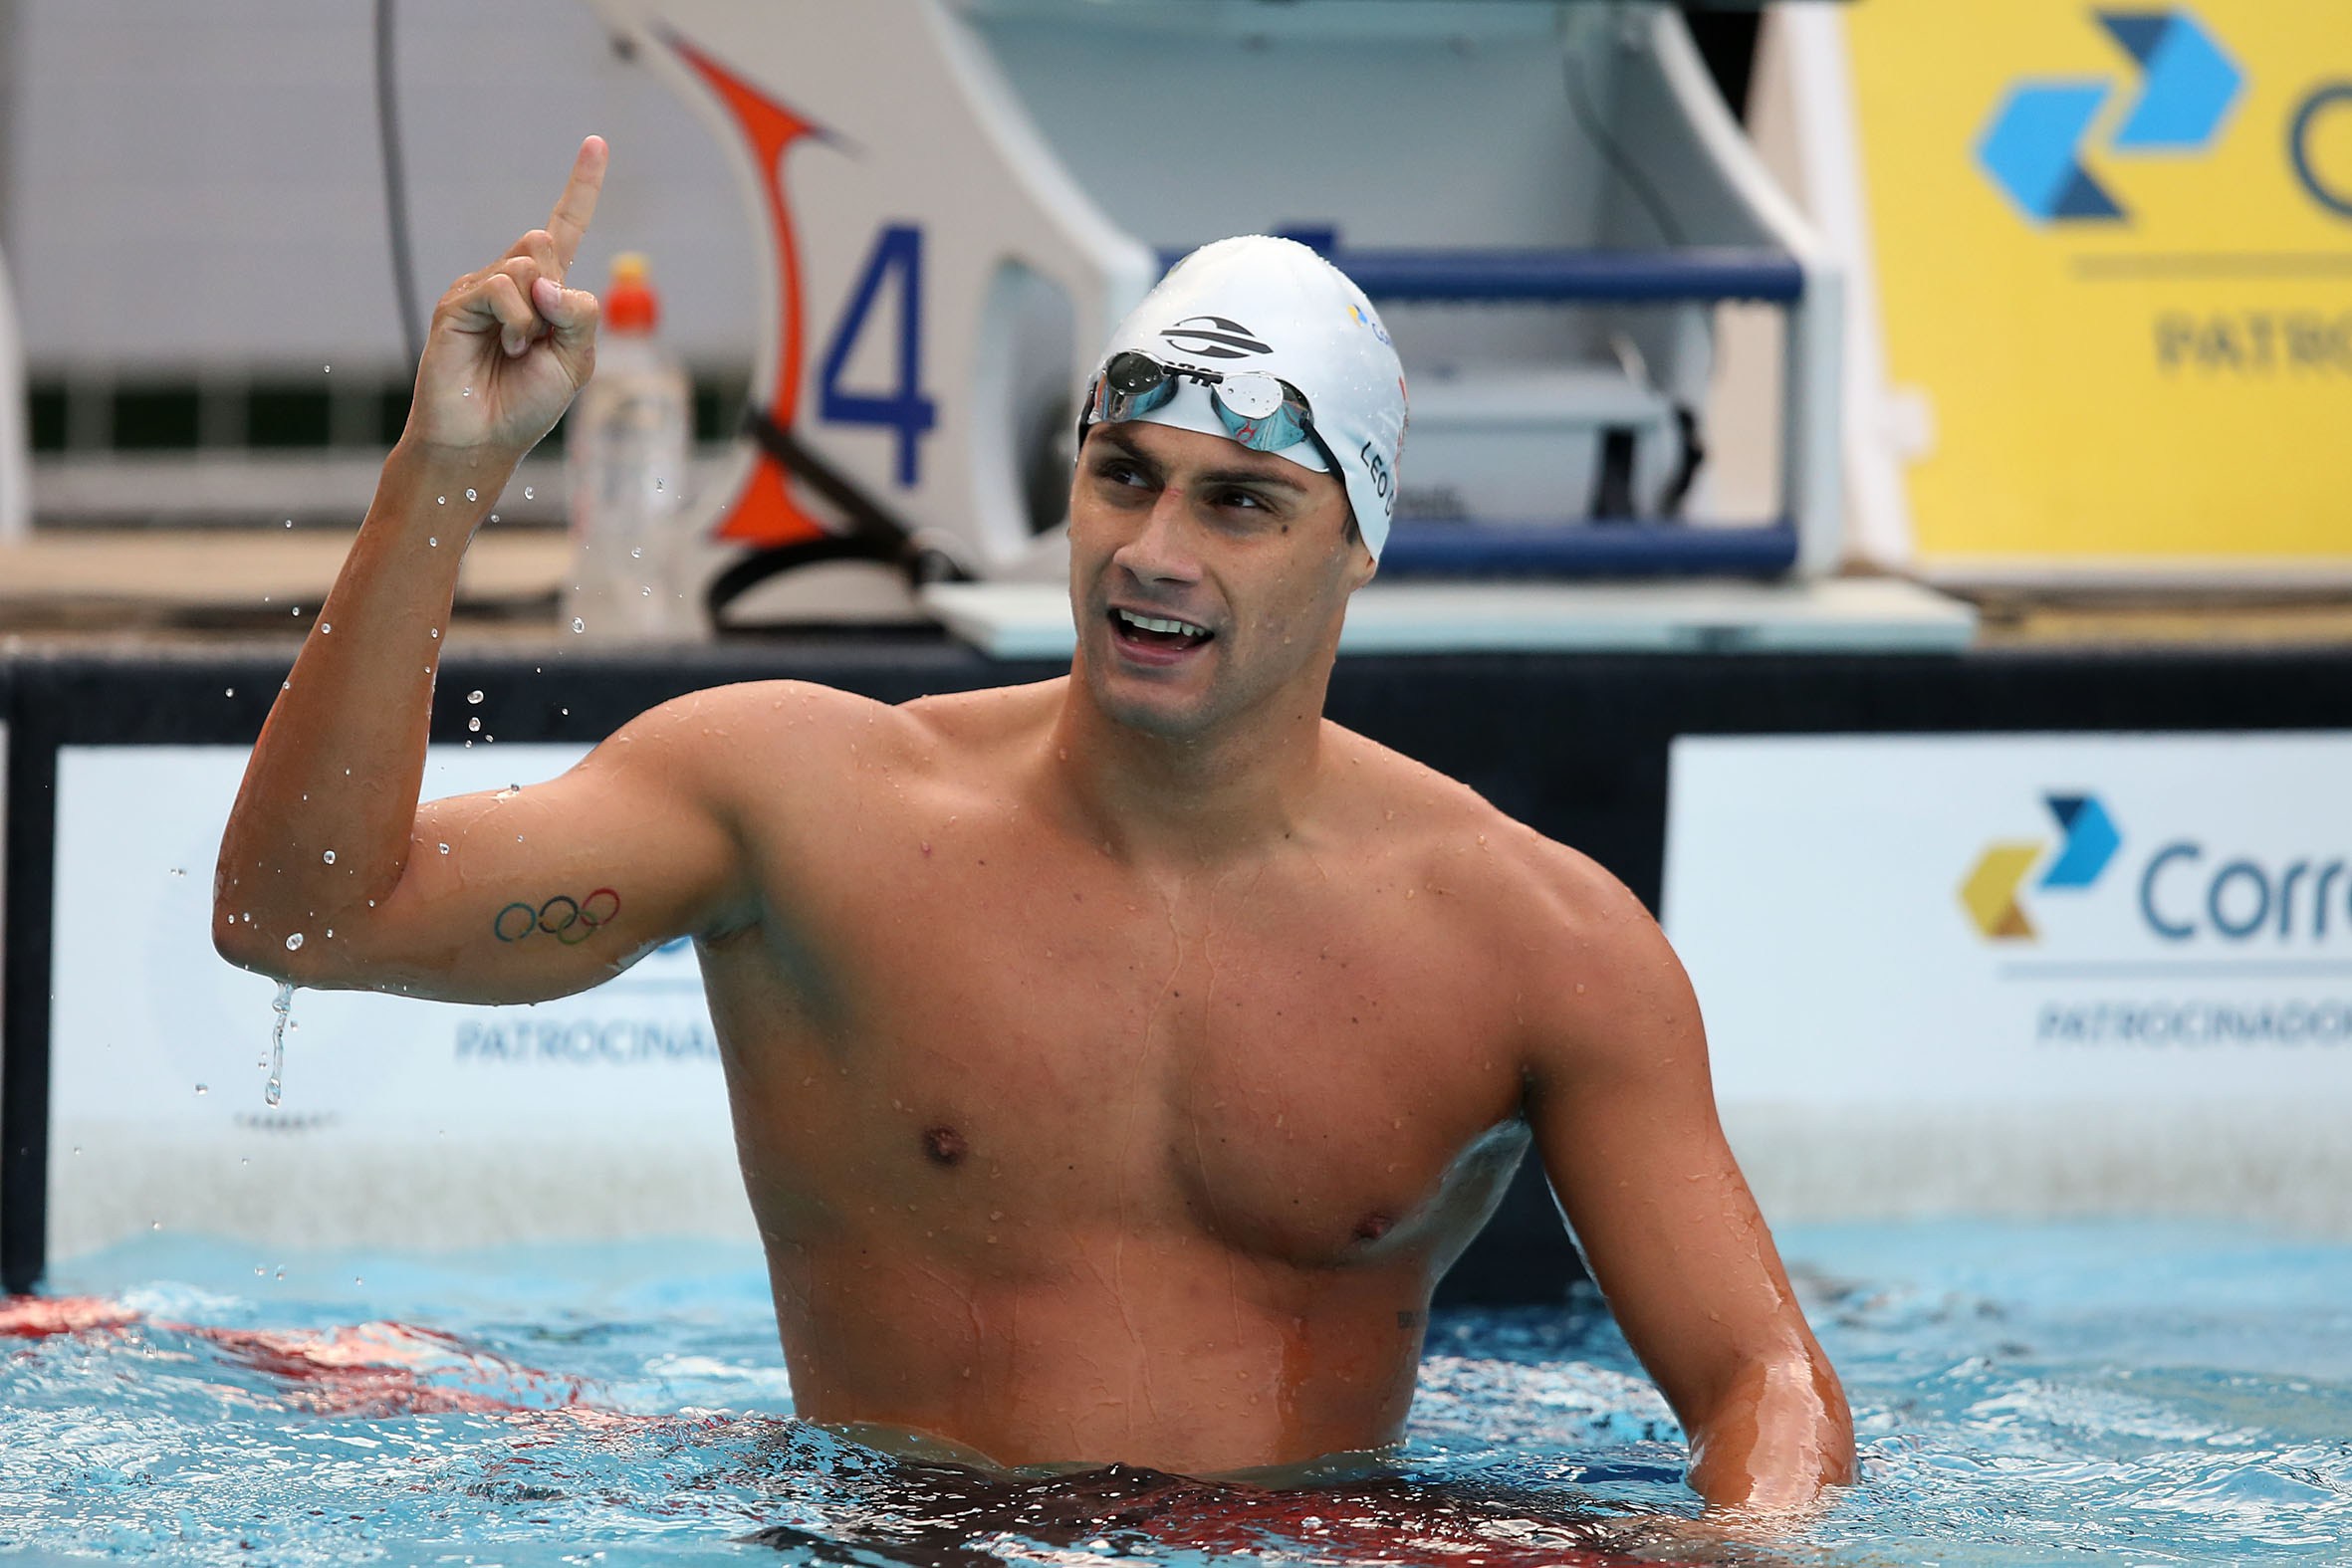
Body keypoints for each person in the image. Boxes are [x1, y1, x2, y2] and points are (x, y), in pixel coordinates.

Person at [214, 137, 1853, 1511]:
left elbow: (1761, 1383)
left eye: (1240, 502)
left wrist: (1739, 1552)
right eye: (1120, 475)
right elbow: (301, 919)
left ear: (1356, 544)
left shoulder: (1537, 944)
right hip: (892, 1543)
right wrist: (444, 471)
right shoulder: (799, 805)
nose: (1154, 550)